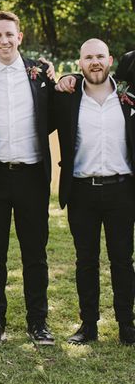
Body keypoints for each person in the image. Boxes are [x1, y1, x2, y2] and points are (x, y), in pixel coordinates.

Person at [0, 11, 56, 346]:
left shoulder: (39, 74)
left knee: (35, 253)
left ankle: (38, 323)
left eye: (10, 34)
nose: (4, 40)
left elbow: (55, 112)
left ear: (19, 37)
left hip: (32, 174)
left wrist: (58, 75)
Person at [54, 38, 135, 345]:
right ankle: (88, 325)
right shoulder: (67, 98)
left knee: (122, 261)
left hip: (122, 190)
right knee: (85, 260)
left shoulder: (129, 97)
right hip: (82, 192)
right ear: (80, 63)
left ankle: (127, 325)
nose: (95, 62)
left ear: (111, 60)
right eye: (88, 57)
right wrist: (62, 80)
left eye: (100, 56)